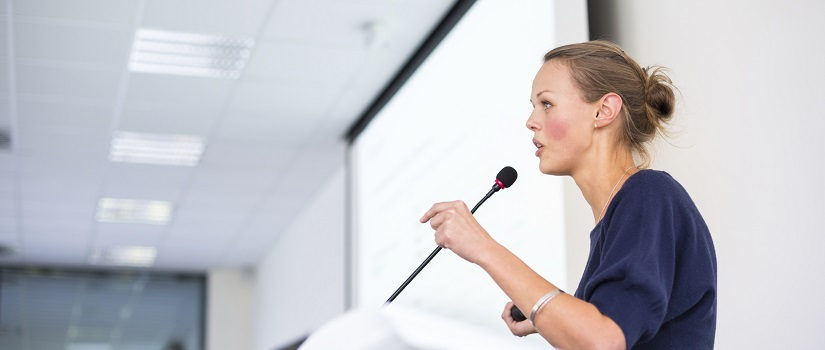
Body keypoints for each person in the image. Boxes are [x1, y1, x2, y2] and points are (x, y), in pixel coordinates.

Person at [419, 41, 717, 349]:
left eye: (546, 104)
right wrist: (551, 317)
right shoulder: (621, 215)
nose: (531, 121)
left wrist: (482, 247)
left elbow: (602, 340)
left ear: (603, 111)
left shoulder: (649, 194)